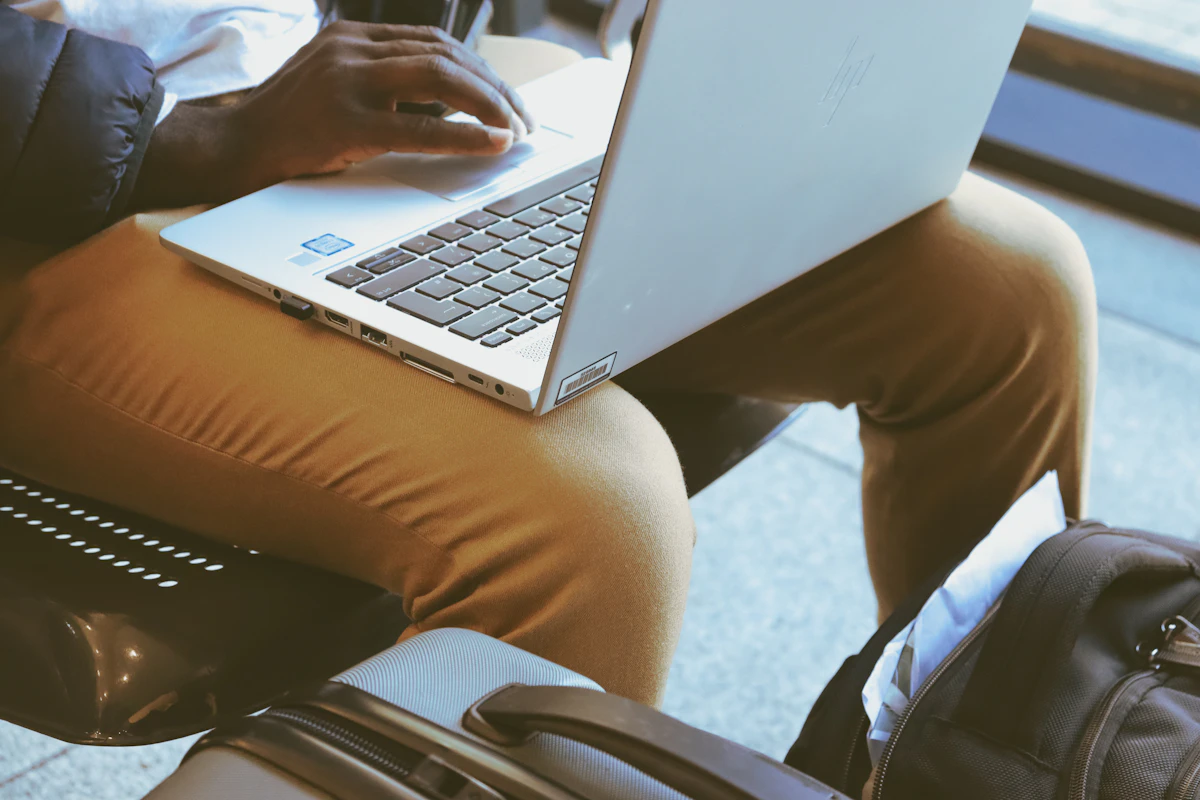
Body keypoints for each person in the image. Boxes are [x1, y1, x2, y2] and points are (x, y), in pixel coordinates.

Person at [0, 1, 1097, 708]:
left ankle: (968, 764)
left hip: (352, 93)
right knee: (592, 510)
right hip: (64, 200)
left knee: (1009, 286)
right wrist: (198, 137)